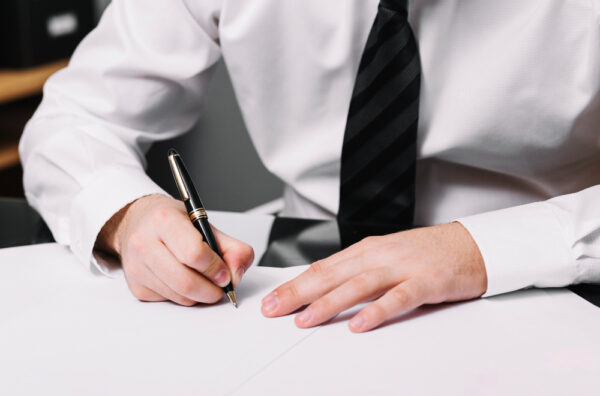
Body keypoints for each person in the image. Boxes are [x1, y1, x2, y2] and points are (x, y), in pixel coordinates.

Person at [20, 0, 600, 333]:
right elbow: (75, 117)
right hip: (298, 264)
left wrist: (479, 249)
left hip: (547, 274)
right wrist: (128, 214)